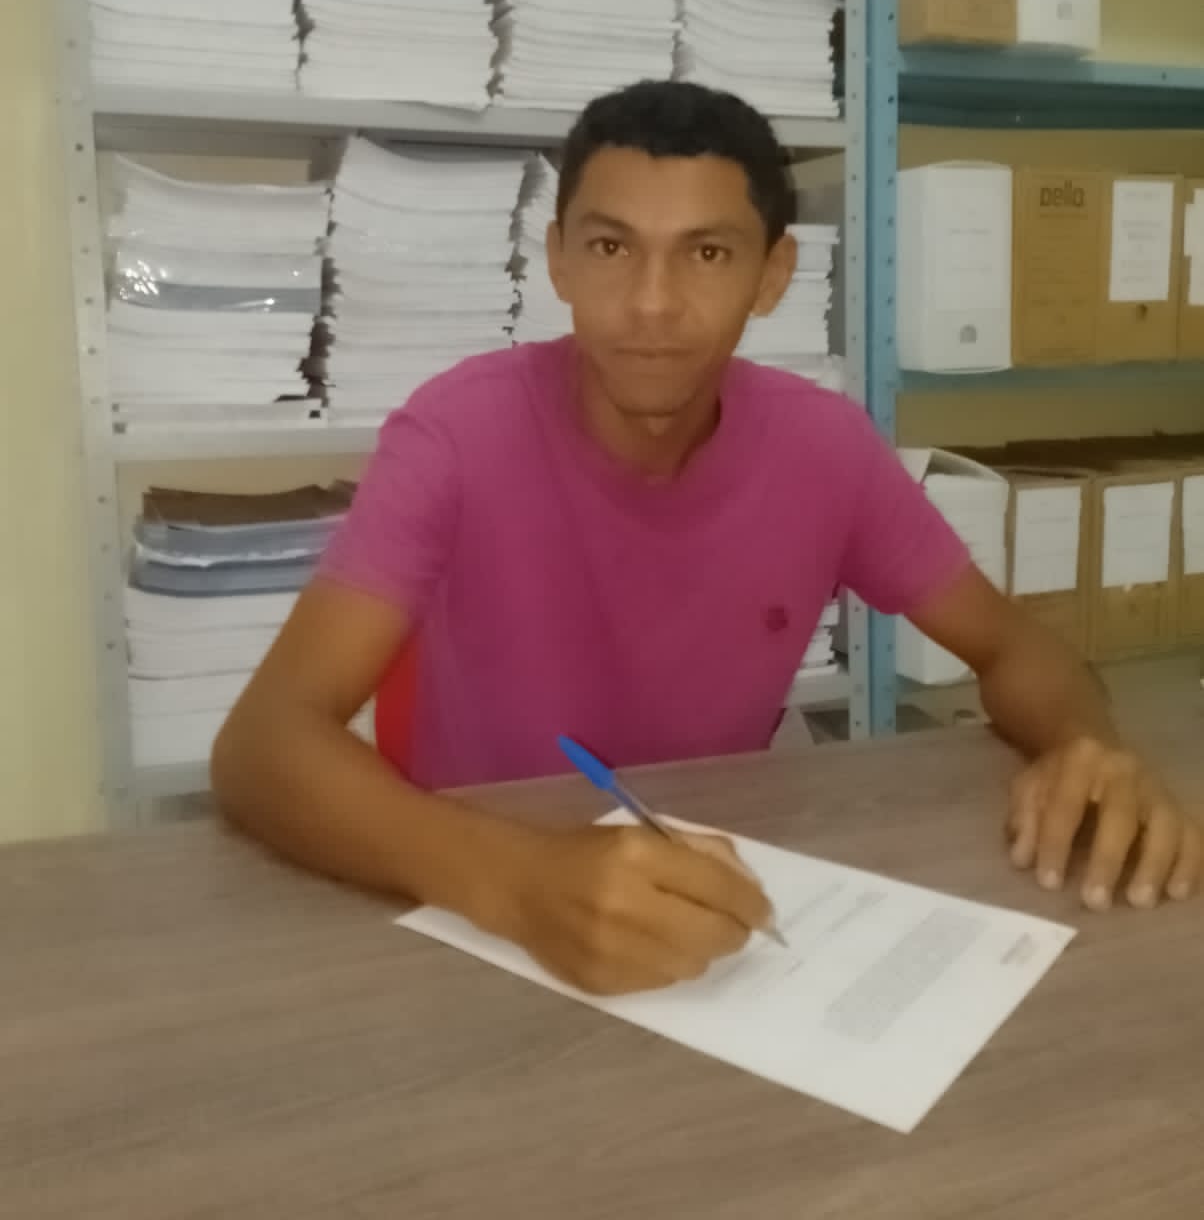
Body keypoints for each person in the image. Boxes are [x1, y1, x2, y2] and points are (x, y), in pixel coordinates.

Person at [213, 80, 1201, 995]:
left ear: (773, 275)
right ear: (558, 259)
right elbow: (262, 744)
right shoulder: (454, 435)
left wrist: (1086, 748)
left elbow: (1014, 646)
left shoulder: (825, 449)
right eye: (611, 248)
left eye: (708, 253)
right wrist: (517, 882)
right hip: (476, 915)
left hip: (716, 902)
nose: (651, 303)